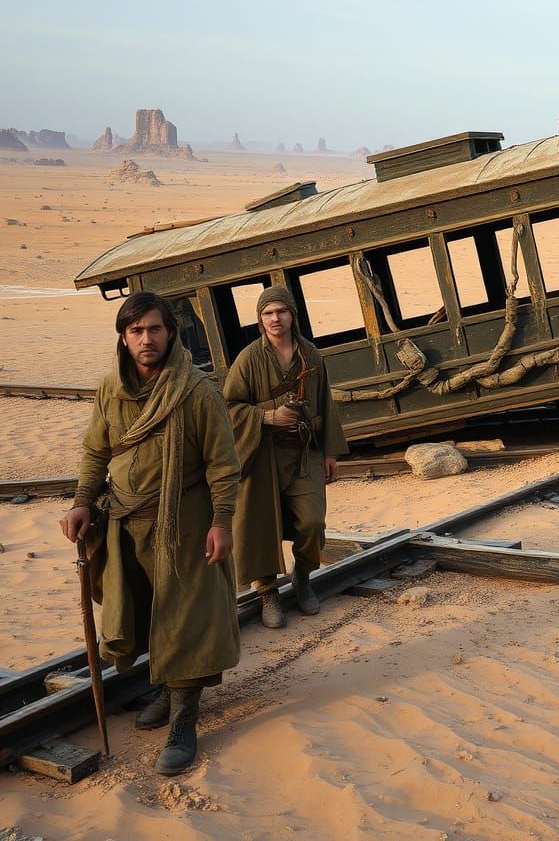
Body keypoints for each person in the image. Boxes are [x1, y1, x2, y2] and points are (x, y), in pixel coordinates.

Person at [60, 291, 241, 776]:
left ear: (169, 333)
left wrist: (222, 522)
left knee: (185, 620)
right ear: (123, 337)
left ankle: (184, 722)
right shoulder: (109, 389)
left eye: (154, 329)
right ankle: (165, 688)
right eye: (136, 330)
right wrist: (82, 503)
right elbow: (96, 453)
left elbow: (224, 465)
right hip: (124, 523)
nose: (146, 339)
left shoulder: (196, 391)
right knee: (142, 614)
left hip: (185, 524)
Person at [223, 286, 348, 630]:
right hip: (261, 454)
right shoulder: (249, 359)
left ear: (292, 314)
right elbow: (229, 407)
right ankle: (267, 593)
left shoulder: (310, 355)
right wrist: (268, 416)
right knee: (261, 524)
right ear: (260, 319)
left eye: (280, 311)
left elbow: (325, 404)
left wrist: (330, 452)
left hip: (305, 451)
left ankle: (303, 578)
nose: (274, 319)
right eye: (267, 313)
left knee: (312, 522)